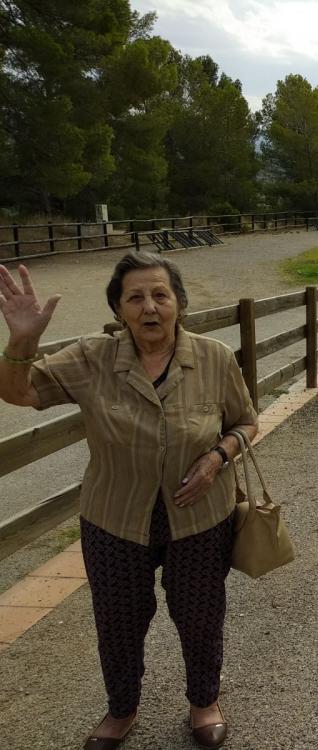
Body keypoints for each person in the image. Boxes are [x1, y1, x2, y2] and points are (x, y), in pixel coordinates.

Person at [0, 252, 258, 750]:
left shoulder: (214, 357)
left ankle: (204, 702)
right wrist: (22, 339)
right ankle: (121, 710)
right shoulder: (91, 357)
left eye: (161, 294)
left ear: (179, 303)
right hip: (114, 519)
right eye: (135, 297)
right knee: (117, 621)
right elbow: (19, 392)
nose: (150, 307)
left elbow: (245, 422)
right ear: (119, 310)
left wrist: (216, 458)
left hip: (200, 515)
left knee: (201, 615)